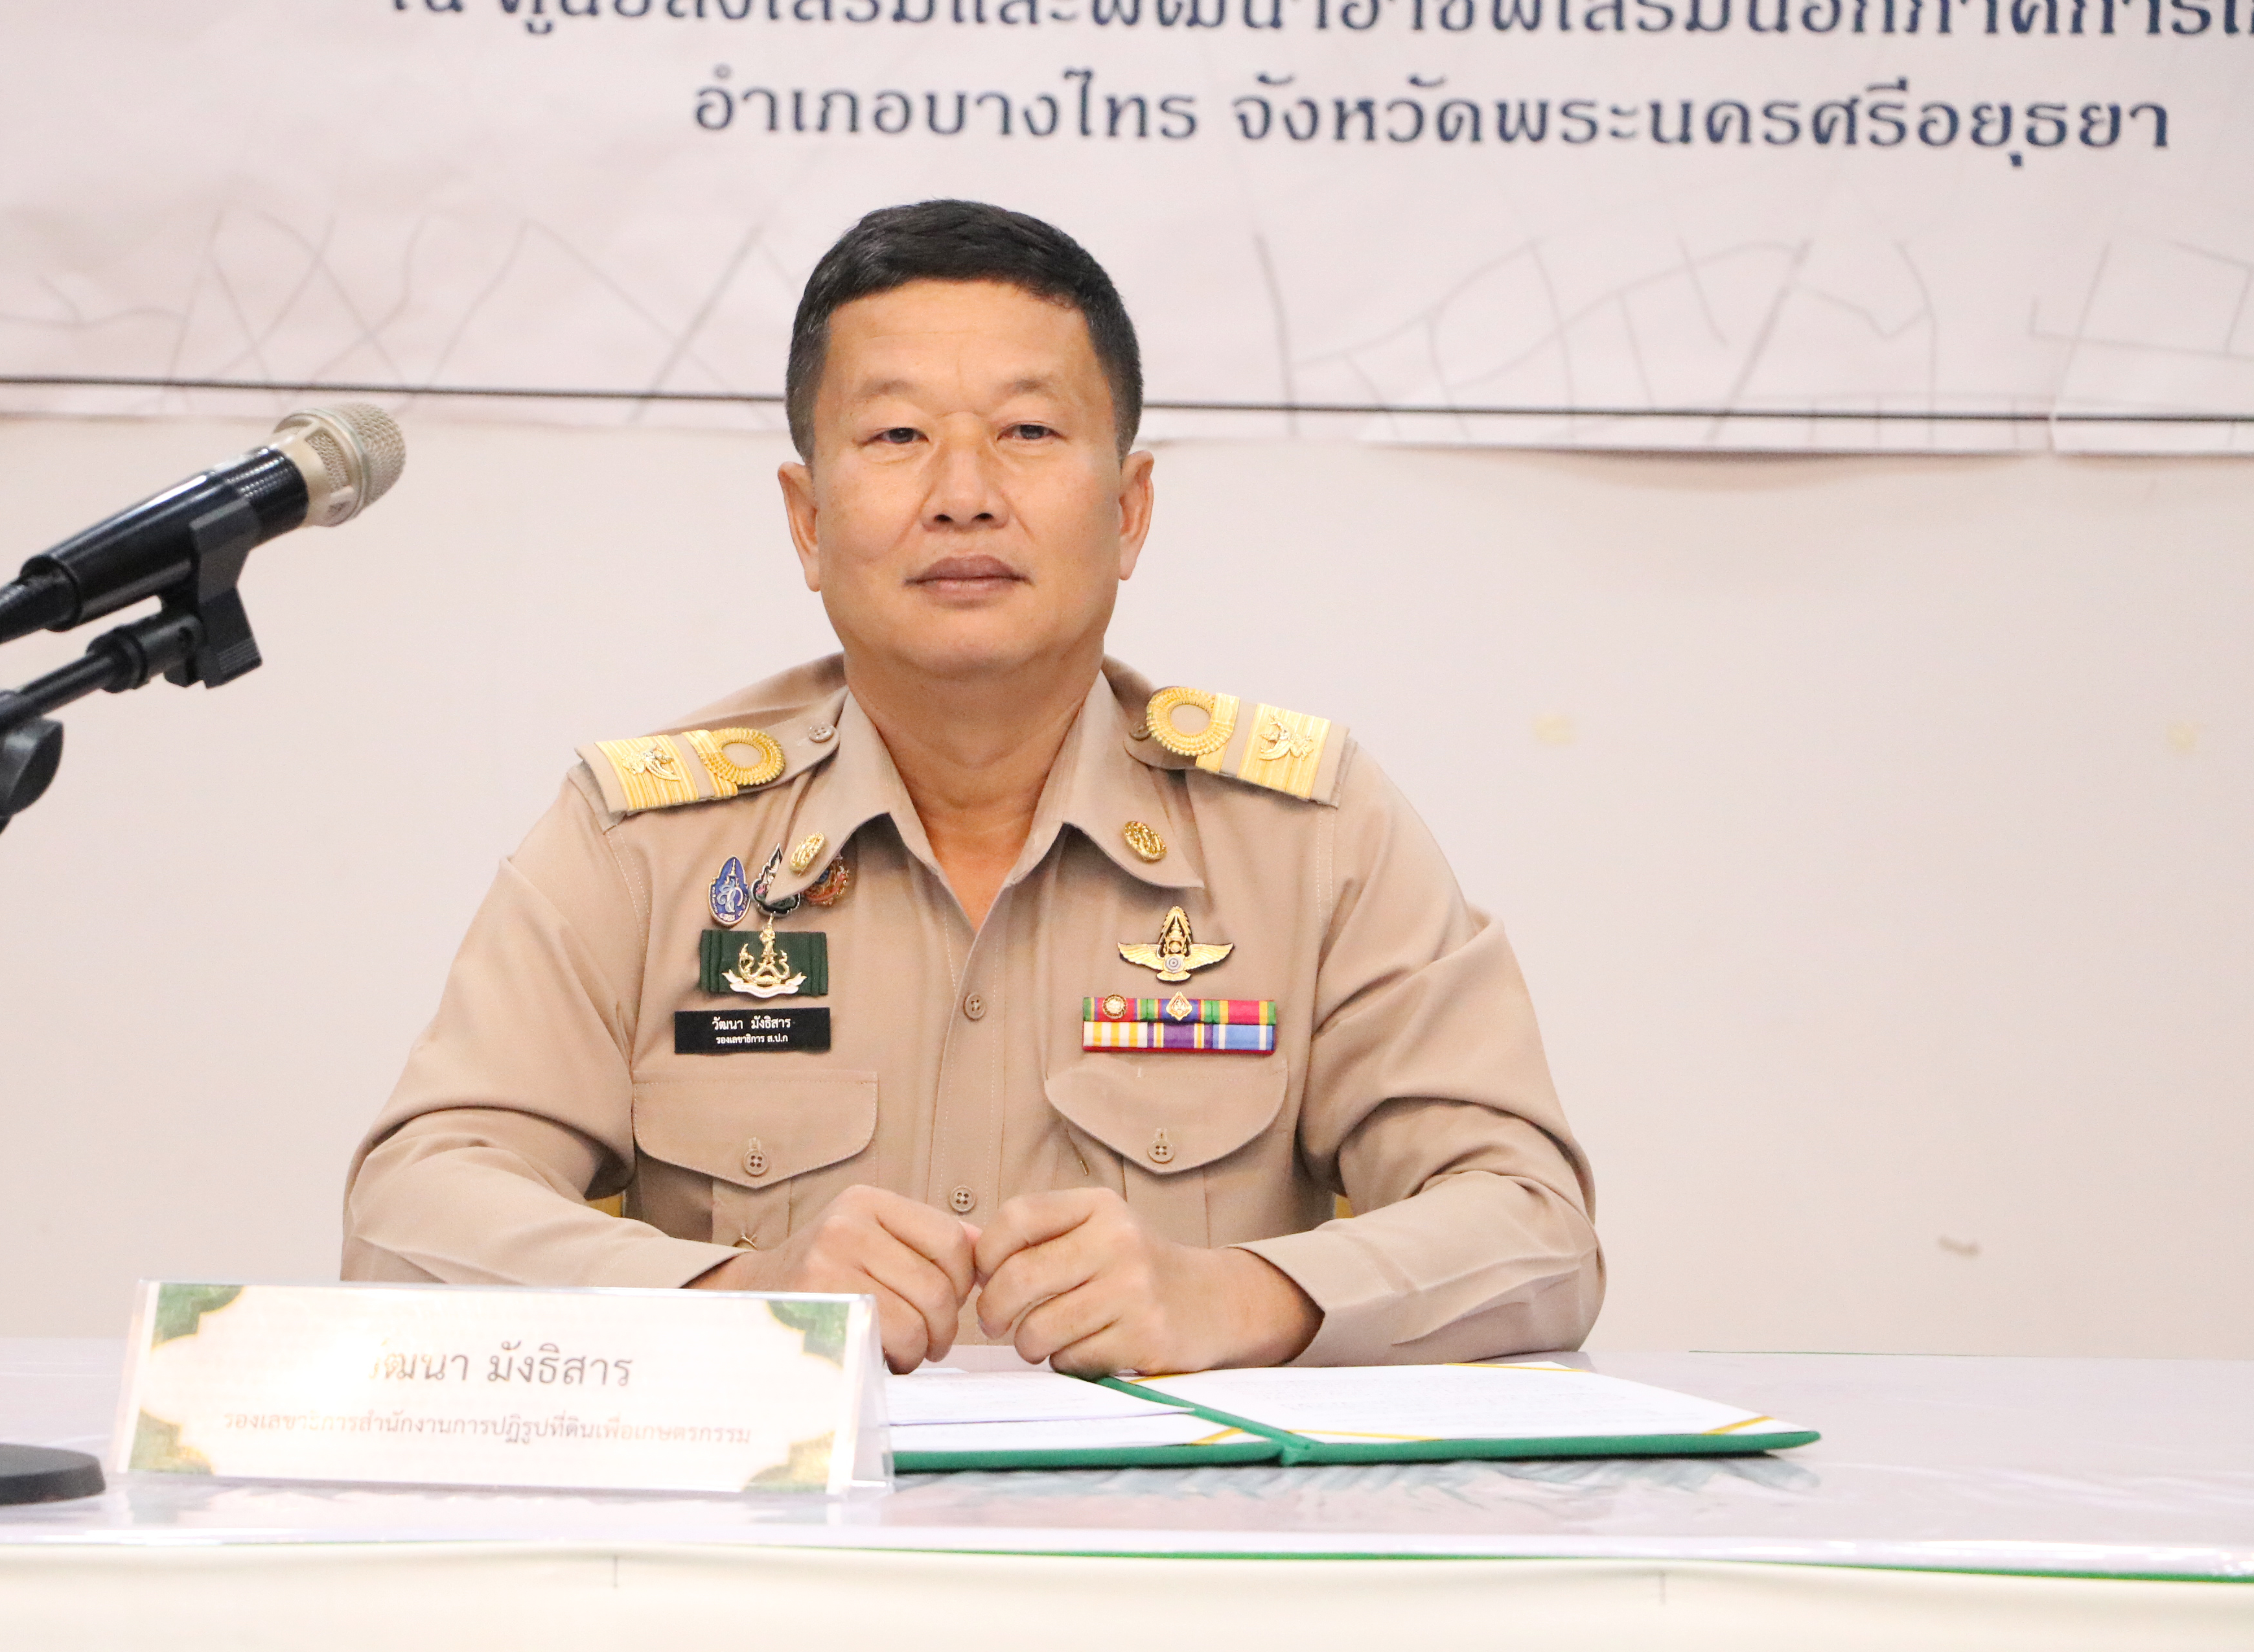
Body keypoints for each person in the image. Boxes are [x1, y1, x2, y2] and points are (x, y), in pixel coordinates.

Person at [343, 200, 1601, 1375]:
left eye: (1029, 433)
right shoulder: (647, 842)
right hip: (780, 1532)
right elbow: (409, 1215)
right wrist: (735, 1294)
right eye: (897, 436)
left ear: (1129, 510)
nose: (963, 497)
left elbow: (1533, 1226)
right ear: (807, 520)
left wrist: (1243, 1295)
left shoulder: (1307, 835)